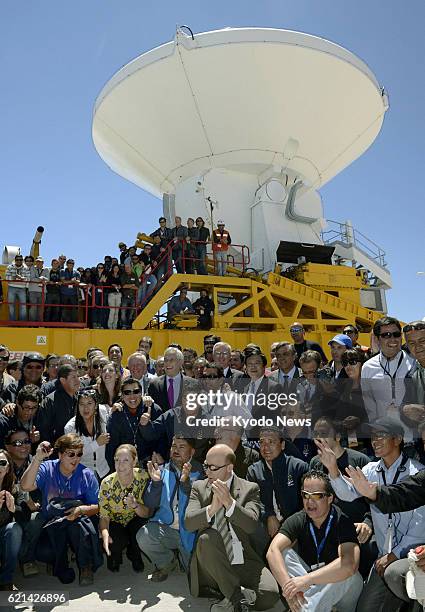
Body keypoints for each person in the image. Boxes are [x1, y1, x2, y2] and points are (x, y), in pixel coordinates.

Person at [317, 417, 425, 611]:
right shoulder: (371, 470)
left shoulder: (416, 472)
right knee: (366, 609)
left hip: (412, 557)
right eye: (373, 436)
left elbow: (419, 529)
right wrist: (333, 469)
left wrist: (393, 555)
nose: (375, 440)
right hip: (383, 558)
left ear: (398, 439)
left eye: (381, 435)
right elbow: (347, 493)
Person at [184, 444, 280, 612]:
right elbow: (189, 523)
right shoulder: (199, 487)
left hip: (242, 558)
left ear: (229, 467)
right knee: (207, 538)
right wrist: (211, 509)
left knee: (270, 594)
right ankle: (238, 598)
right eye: (206, 466)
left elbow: (251, 525)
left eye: (213, 468)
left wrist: (229, 503)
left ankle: (229, 598)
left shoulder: (249, 489)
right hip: (212, 563)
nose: (208, 472)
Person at [266, 470, 363, 612]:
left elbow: (349, 565)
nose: (309, 502)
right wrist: (289, 590)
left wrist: (306, 580)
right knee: (283, 553)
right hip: (309, 586)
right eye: (305, 495)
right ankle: (306, 604)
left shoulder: (342, 520)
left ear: (330, 498)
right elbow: (272, 551)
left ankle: (305, 608)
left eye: (317, 496)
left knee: (350, 575)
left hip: (341, 589)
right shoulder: (299, 518)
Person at [20, 435, 101, 585]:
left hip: (74, 521)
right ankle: (38, 559)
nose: (75, 458)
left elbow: (98, 507)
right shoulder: (47, 467)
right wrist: (38, 458)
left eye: (79, 454)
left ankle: (85, 566)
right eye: (71, 454)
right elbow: (25, 486)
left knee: (80, 525)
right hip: (50, 521)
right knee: (43, 549)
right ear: (60, 454)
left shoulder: (86, 474)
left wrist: (81, 509)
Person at [136, 436, 204, 581]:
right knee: (144, 535)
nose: (176, 450)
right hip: (167, 528)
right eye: (174, 446)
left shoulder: (202, 472)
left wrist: (185, 483)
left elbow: (202, 501)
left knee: (193, 574)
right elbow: (150, 503)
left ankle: (184, 558)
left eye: (181, 446)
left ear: (192, 451)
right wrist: (155, 483)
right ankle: (166, 563)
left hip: (191, 533)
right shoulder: (163, 470)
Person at [99, 444, 162, 573]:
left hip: (135, 518)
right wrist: (105, 535)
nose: (120, 464)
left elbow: (148, 513)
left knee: (141, 531)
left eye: (126, 460)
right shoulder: (107, 483)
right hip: (115, 521)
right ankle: (115, 555)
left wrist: (135, 505)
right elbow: (104, 516)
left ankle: (134, 553)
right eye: (117, 460)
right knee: (114, 543)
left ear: (134, 462)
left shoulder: (144, 477)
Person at [247, 428, 308, 550]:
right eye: (262, 442)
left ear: (283, 444)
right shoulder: (253, 471)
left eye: (271, 442)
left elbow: (307, 502)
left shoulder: (298, 467)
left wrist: (292, 525)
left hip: (295, 526)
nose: (266, 447)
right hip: (265, 526)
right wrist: (269, 515)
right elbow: (252, 499)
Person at [4, 429, 43, 578]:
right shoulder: (3, 465)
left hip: (32, 524)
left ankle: (27, 559)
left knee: (37, 518)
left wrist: (35, 504)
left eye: (27, 441)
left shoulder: (38, 462)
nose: (24, 446)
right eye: (18, 443)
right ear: (8, 447)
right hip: (8, 520)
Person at [361, 316, 415, 426]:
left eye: (396, 334)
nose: (393, 339)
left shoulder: (414, 363)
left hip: (413, 436)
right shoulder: (367, 367)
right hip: (386, 436)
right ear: (376, 339)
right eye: (386, 335)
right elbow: (369, 404)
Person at [105, 378, 162, 471]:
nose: (132, 396)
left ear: (141, 393)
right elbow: (111, 448)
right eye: (127, 392)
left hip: (151, 464)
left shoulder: (153, 409)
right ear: (122, 396)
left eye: (136, 391)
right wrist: (117, 471)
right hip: (125, 466)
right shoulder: (116, 415)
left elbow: (162, 438)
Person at [64, 389, 110, 480]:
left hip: (104, 469)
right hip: (83, 473)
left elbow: (112, 409)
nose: (85, 408)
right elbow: (73, 454)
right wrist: (96, 443)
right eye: (82, 404)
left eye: (89, 403)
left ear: (96, 405)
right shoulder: (70, 427)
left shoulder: (103, 412)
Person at [37, 365, 80, 444]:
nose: (78, 380)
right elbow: (44, 431)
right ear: (63, 380)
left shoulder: (80, 399)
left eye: (78, 376)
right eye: (73, 377)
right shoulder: (50, 401)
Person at [0, 448, 23, 591]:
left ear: (8, 468)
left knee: (14, 528)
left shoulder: (13, 487)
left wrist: (14, 509)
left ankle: (6, 579)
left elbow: (25, 514)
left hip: (3, 537)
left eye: (2, 463)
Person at [147, 347, 191, 412]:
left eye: (171, 360)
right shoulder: (154, 384)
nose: (168, 363)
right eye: (166, 360)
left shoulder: (193, 384)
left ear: (180, 362)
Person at [0, 385, 42, 450]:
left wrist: (34, 442)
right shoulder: (4, 421)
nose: (30, 412)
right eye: (26, 407)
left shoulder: (40, 418)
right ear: (17, 402)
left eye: (34, 407)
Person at [5, 254, 30, 322]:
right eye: (17, 260)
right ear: (15, 260)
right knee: (11, 305)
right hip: (11, 288)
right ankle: (12, 322)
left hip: (22, 288)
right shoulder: (10, 267)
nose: (19, 261)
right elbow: (6, 277)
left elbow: (28, 279)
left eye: (20, 260)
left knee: (23, 306)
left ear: (22, 260)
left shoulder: (26, 268)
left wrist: (22, 278)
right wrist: (14, 278)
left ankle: (22, 323)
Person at [27, 256, 49, 322]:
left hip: (43, 291)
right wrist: (41, 279)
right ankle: (32, 323)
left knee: (41, 308)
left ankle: (39, 323)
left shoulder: (46, 269)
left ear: (43, 262)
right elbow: (31, 278)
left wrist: (43, 279)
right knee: (33, 307)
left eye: (40, 262)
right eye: (37, 261)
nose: (39, 263)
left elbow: (48, 279)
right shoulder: (32, 268)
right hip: (33, 290)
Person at [60, 259, 80, 323]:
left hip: (73, 294)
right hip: (64, 293)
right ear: (66, 264)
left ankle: (74, 323)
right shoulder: (62, 271)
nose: (71, 264)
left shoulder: (77, 272)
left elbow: (78, 282)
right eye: (69, 263)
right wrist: (72, 281)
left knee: (74, 309)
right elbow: (63, 281)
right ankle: (64, 322)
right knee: (63, 308)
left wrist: (72, 281)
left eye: (72, 263)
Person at [120, 262, 139, 329]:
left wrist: (128, 286)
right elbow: (123, 286)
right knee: (123, 312)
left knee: (131, 312)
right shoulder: (123, 275)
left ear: (131, 268)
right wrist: (132, 285)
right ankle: (124, 325)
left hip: (133, 297)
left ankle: (129, 325)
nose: (126, 269)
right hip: (125, 296)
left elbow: (137, 287)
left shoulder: (134, 275)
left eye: (128, 267)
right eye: (125, 267)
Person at [92, 263, 109, 329]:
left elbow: (108, 283)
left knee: (102, 309)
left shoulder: (106, 275)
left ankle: (100, 324)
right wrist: (100, 280)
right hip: (96, 293)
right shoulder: (94, 275)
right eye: (99, 267)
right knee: (95, 308)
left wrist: (104, 281)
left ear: (103, 268)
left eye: (101, 268)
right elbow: (92, 283)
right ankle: (94, 323)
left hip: (103, 294)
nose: (100, 269)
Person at [106, 263, 122, 330]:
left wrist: (119, 286)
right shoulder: (109, 275)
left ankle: (114, 326)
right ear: (112, 268)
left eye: (117, 268)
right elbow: (107, 283)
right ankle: (110, 326)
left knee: (117, 311)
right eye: (115, 268)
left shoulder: (120, 276)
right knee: (112, 310)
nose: (116, 269)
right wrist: (113, 285)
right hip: (111, 294)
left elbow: (122, 283)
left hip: (118, 294)